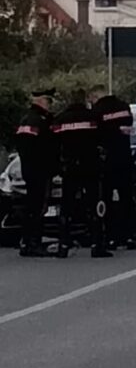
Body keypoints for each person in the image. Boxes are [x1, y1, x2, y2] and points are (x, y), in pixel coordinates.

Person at [53, 89, 110, 258]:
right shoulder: (93, 117)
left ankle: (63, 245)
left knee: (67, 206)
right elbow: (102, 139)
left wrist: (59, 165)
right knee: (95, 205)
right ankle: (97, 244)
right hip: (90, 166)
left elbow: (53, 145)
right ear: (85, 100)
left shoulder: (60, 119)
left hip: (70, 167)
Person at [90, 86, 136, 249]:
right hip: (124, 159)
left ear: (96, 97)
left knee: (106, 200)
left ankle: (110, 236)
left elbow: (95, 135)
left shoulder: (97, 111)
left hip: (106, 161)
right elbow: (128, 127)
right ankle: (130, 235)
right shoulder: (124, 106)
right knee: (127, 198)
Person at [15, 88, 58, 257]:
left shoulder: (27, 119)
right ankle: (33, 242)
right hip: (39, 170)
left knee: (32, 206)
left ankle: (27, 241)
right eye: (48, 101)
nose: (50, 105)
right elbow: (41, 147)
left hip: (31, 169)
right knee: (37, 207)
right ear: (40, 101)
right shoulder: (39, 120)